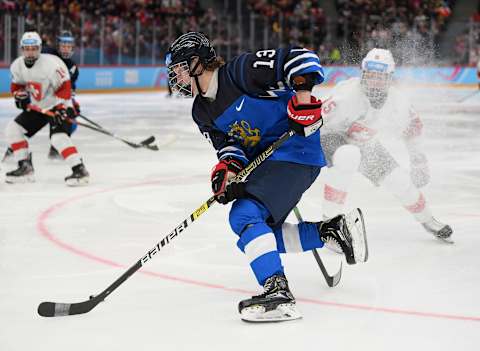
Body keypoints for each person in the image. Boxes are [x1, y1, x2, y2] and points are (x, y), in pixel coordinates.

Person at [165, 32, 368, 322]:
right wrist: (228, 172)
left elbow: (300, 59)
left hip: (296, 150)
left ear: (197, 63)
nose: (176, 77)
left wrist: (303, 100)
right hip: (269, 161)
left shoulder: (239, 73)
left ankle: (278, 293)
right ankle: (332, 231)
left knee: (243, 216)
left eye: (180, 69)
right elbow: (229, 146)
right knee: (258, 235)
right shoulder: (201, 112)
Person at [317, 48, 452, 246]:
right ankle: (329, 225)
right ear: (363, 74)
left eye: (380, 76)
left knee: (399, 180)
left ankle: (427, 219)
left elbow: (413, 129)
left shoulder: (398, 102)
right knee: (348, 155)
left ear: (389, 78)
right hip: (330, 138)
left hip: (363, 143)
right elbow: (314, 120)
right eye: (371, 75)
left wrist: (418, 160)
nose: (374, 81)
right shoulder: (345, 95)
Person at [4, 31, 89, 186]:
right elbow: (17, 85)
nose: (30, 52)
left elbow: (65, 87)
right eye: (27, 48)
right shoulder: (17, 65)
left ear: (40, 48)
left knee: (58, 138)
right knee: (13, 129)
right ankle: (25, 167)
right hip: (39, 107)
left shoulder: (52, 64)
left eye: (34, 48)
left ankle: (79, 169)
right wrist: (19, 96)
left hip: (59, 105)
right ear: (22, 49)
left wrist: (62, 108)